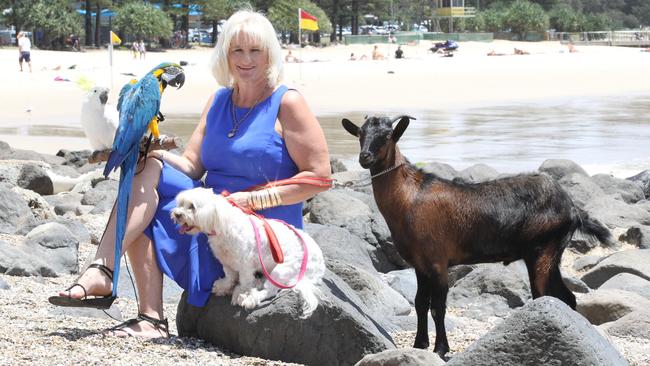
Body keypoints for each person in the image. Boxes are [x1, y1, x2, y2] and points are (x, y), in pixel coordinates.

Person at [48, 9, 331, 338]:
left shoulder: (288, 103)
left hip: (260, 240)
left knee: (151, 200)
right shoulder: (220, 100)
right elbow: (193, 165)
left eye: (255, 50)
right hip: (212, 221)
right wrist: (149, 149)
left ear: (270, 53)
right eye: (237, 50)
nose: (246, 59)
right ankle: (118, 284)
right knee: (145, 168)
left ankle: (128, 295)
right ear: (225, 54)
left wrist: (253, 199)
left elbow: (320, 176)